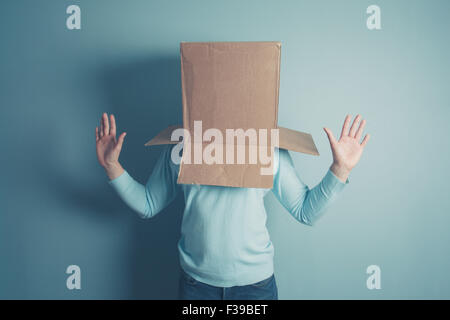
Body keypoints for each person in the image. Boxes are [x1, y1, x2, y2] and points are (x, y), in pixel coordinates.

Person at [95, 113, 370, 300]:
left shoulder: (269, 148)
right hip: (197, 287)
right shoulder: (181, 147)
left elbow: (306, 210)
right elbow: (148, 204)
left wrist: (339, 169)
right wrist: (112, 167)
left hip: (255, 288)